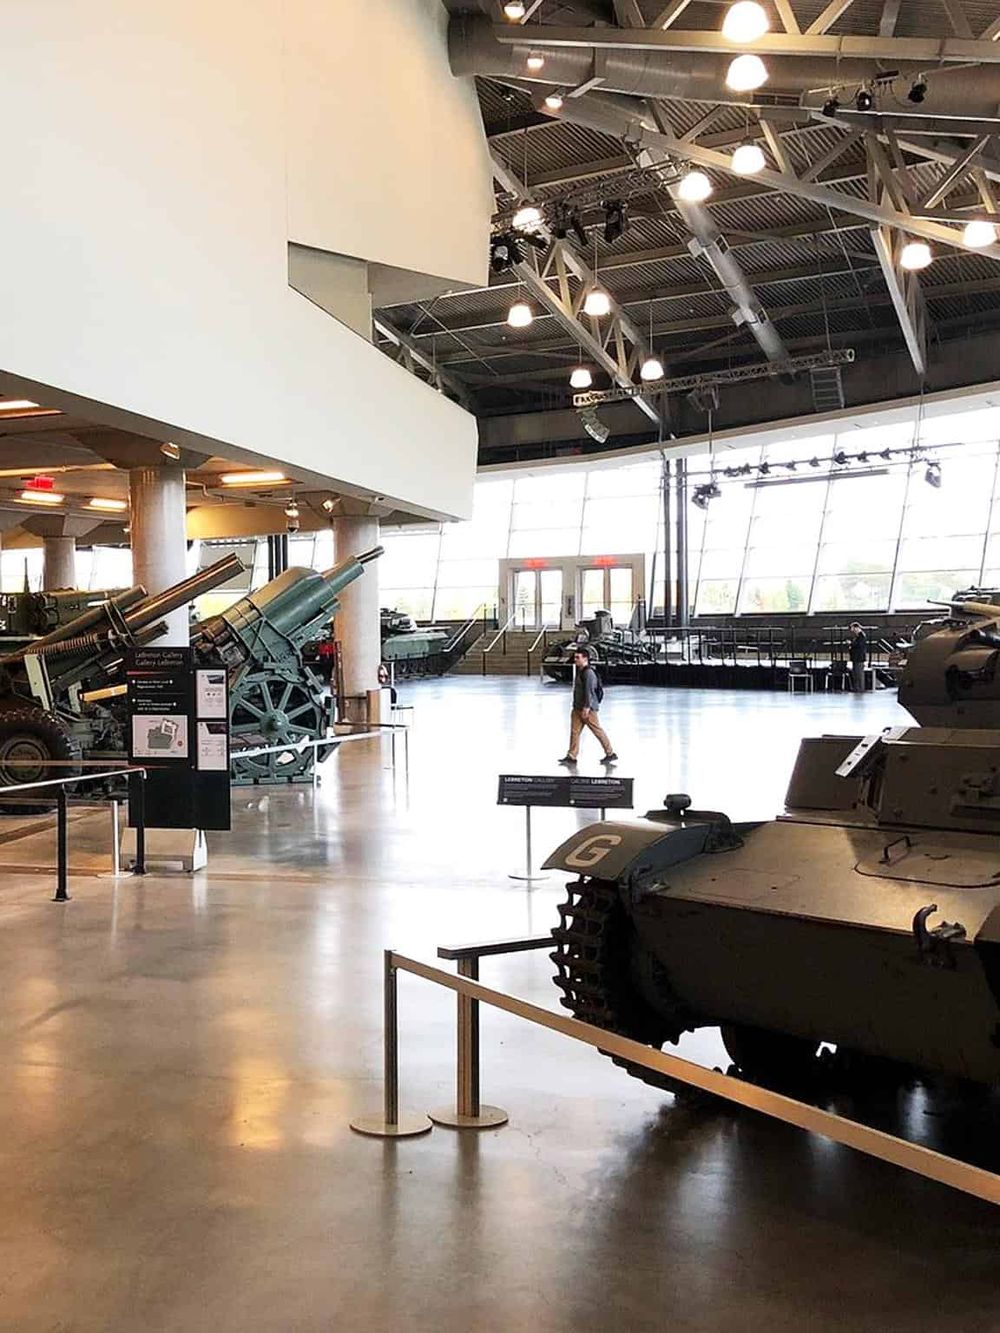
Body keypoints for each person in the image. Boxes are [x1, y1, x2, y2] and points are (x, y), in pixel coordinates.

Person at [559, 647, 617, 765]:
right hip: (577, 707)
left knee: (597, 730)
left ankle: (610, 753)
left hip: (587, 709)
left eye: (577, 657)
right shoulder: (580, 671)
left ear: (585, 658)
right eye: (575, 657)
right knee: (574, 732)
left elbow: (589, 691)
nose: (575, 660)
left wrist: (587, 707)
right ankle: (572, 755)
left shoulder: (589, 673)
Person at [848, 622, 868, 692]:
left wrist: (851, 644)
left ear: (856, 628)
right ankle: (856, 687)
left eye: (853, 629)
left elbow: (859, 645)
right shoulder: (857, 636)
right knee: (856, 673)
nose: (852, 631)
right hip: (856, 657)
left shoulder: (861, 636)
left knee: (859, 674)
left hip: (859, 657)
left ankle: (860, 688)